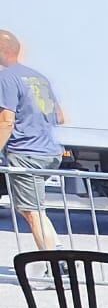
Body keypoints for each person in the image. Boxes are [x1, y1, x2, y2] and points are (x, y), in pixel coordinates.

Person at [0, 30, 66, 252]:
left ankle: (53, 264)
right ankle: (57, 252)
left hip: (26, 153)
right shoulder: (38, 77)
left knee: (32, 213)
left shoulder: (6, 78)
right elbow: (59, 116)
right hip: (49, 151)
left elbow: (6, 121)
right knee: (33, 209)